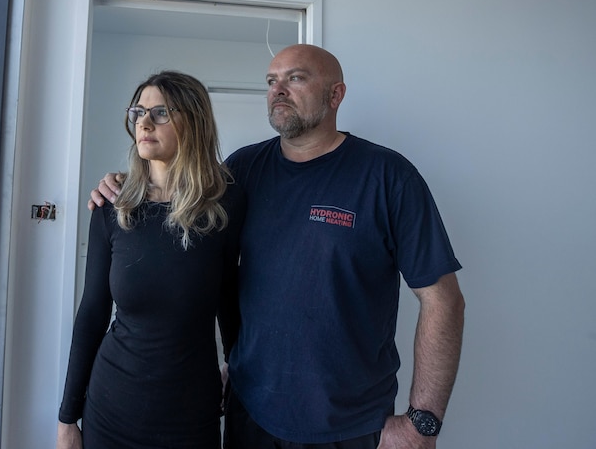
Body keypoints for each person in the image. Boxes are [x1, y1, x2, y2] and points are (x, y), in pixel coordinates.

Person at [90, 44, 465, 449]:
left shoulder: (388, 177)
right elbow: (178, 202)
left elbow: (443, 300)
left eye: (296, 78)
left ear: (336, 95)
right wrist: (122, 186)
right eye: (271, 81)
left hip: (349, 427)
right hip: (250, 415)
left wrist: (421, 423)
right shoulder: (242, 171)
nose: (278, 90)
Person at [58, 71, 245, 449]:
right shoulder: (113, 207)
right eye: (139, 112)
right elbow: (93, 312)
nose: (144, 122)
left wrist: (237, 369)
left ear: (192, 121)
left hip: (191, 414)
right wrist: (67, 418)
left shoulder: (225, 206)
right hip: (110, 407)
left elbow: (229, 301)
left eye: (160, 112)